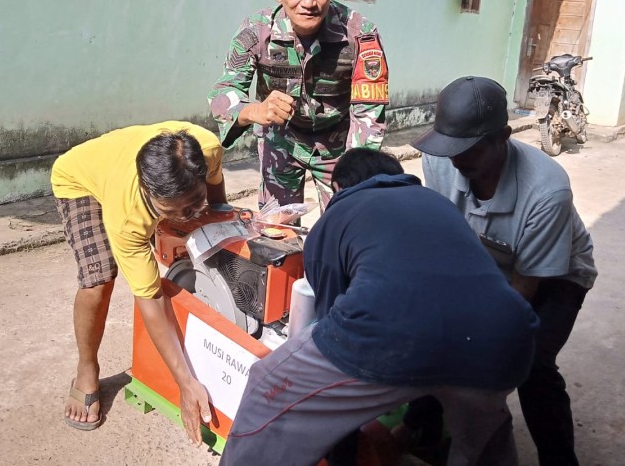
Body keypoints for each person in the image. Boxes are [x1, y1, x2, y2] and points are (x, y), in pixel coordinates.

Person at [219, 148, 539, 466]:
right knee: (482, 446)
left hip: (393, 338)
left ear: (338, 188)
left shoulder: (336, 217)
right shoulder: (440, 204)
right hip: (506, 338)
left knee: (266, 385)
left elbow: (331, 325)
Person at [413, 76, 598, 466]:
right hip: (482, 256)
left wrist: (477, 335)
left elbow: (524, 287)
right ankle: (423, 435)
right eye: (449, 147)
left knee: (530, 362)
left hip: (555, 273)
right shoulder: (442, 155)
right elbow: (445, 230)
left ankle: (560, 459)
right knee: (431, 332)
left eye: (468, 150)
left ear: (504, 137)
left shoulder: (547, 191)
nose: (455, 160)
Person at [50, 121, 227, 442]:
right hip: (79, 180)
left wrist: (215, 221)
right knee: (99, 277)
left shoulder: (208, 148)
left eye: (192, 201)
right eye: (172, 210)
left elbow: (215, 194)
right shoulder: (128, 215)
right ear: (149, 193)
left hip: (120, 163)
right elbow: (152, 298)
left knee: (194, 234)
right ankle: (86, 370)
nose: (187, 214)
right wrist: (185, 382)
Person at [208, 0, 389, 211]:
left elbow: (368, 111)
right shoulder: (256, 30)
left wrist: (355, 169)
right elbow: (223, 94)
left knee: (347, 223)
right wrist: (255, 111)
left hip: (340, 146)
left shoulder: (360, 34)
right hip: (281, 140)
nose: (308, 2)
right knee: (277, 232)